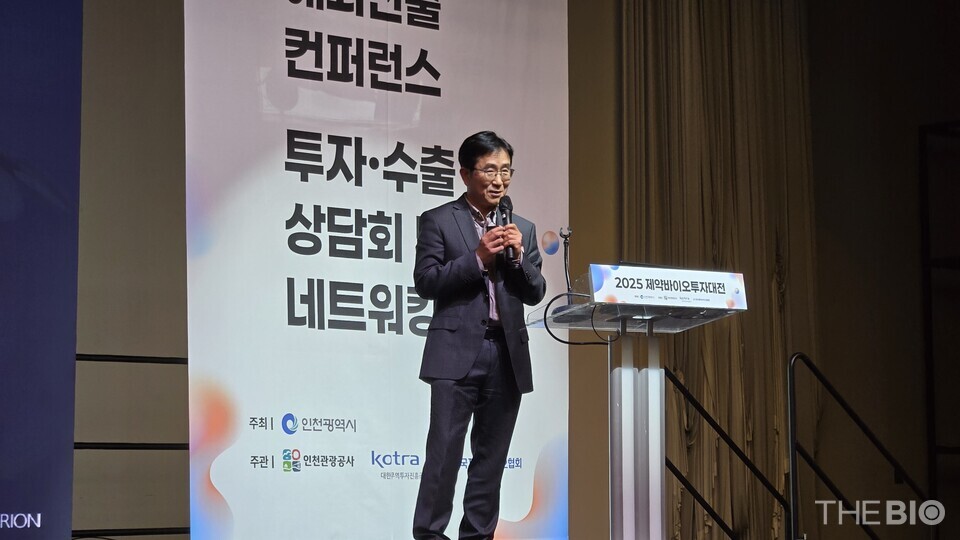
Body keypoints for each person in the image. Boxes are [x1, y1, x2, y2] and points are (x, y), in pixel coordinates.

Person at [412, 131, 547, 540]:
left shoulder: (521, 226)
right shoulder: (438, 220)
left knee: (490, 461)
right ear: (466, 173)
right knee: (444, 456)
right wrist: (478, 257)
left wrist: (519, 258)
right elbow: (426, 282)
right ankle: (430, 535)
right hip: (455, 355)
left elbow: (536, 291)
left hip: (505, 356)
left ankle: (478, 536)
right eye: (490, 170)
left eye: (506, 171)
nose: (499, 180)